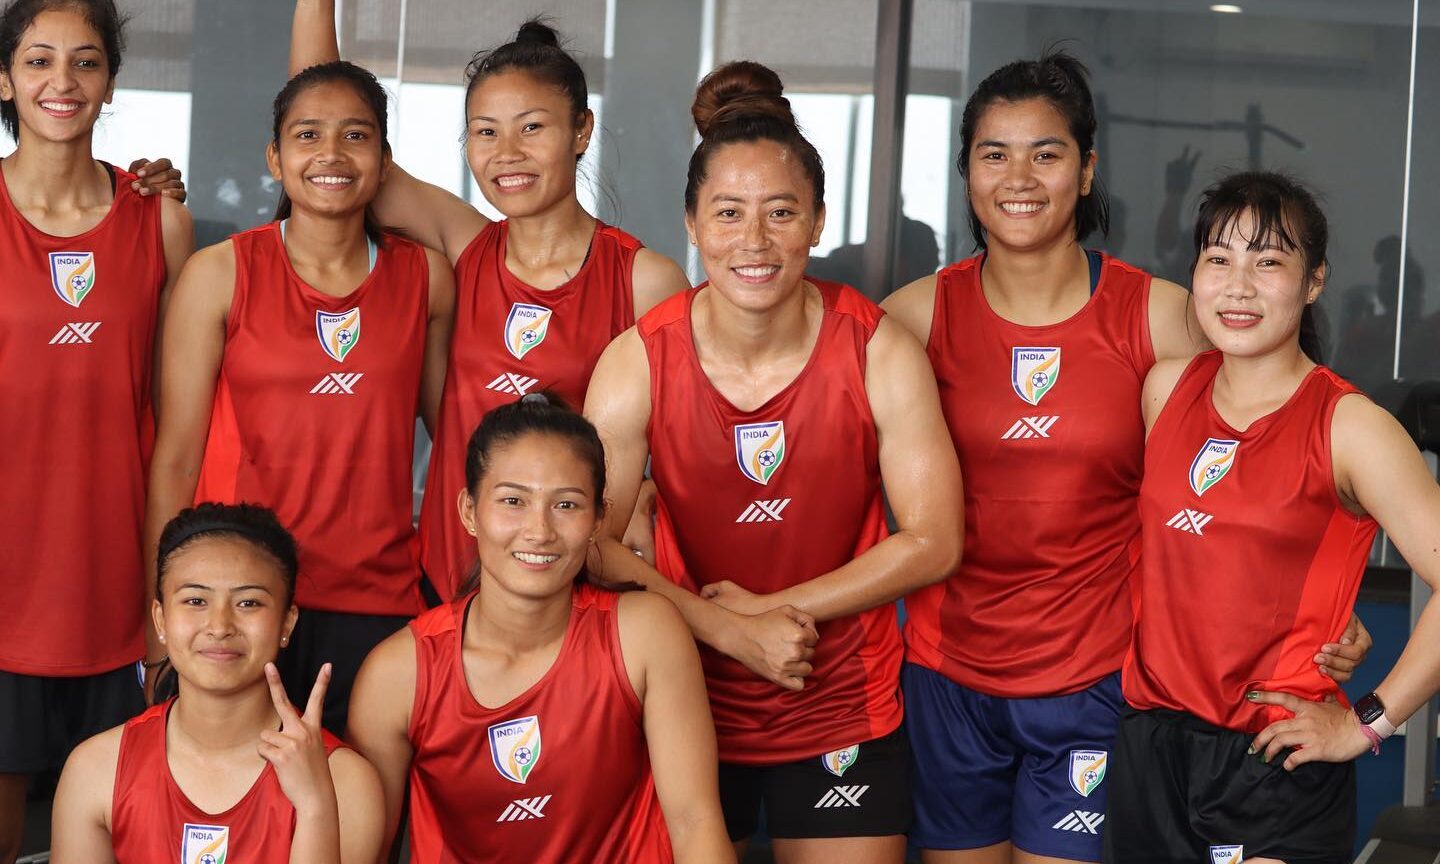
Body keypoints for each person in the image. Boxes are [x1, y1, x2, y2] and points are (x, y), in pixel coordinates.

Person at [880, 52, 1369, 864]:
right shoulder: (913, 318)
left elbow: (1268, 457)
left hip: (1097, 677)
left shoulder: (1162, 317)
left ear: (1086, 169)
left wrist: (1317, 602)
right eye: (994, 154)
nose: (1019, 177)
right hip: (946, 677)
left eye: (1046, 153)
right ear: (966, 170)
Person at [584, 61, 963, 863]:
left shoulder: (877, 350)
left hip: (839, 699)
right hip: (681, 691)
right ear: (692, 224)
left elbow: (935, 540)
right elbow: (590, 544)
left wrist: (769, 613)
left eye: (780, 212)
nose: (753, 241)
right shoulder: (637, 361)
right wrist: (724, 628)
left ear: (818, 222)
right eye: (728, 213)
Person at [290, 2, 691, 598]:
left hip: (569, 592)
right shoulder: (464, 248)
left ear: (581, 130)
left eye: (532, 127)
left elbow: (686, 452)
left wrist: (644, 496)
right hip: (448, 588)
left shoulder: (643, 280)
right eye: (485, 131)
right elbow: (322, 104)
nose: (506, 152)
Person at [1105, 172, 1440, 863]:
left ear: (1314, 281)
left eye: (1268, 261)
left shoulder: (1350, 426)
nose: (1238, 286)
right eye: (1218, 258)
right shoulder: (1164, 389)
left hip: (1273, 761)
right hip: (1151, 748)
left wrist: (1367, 724)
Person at [145, 60, 455, 733]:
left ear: (384, 160)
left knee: (360, 795)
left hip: (377, 599)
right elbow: (175, 460)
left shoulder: (425, 278)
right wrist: (158, 622)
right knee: (241, 794)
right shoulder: (221, 273)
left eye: (355, 135)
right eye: (308, 135)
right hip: (241, 599)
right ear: (275, 158)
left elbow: (458, 446)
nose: (331, 154)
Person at [346, 394, 731, 863]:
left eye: (566, 505)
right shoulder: (397, 673)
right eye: (513, 501)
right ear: (469, 511)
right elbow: (366, 851)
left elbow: (695, 824)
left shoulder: (644, 634)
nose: (539, 530)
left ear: (598, 520)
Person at [0, 0, 192, 859]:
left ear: (111, 81)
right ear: (5, 80)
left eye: (85, 61)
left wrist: (166, 596)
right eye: (38, 60)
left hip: (116, 589)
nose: (63, 81)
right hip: (6, 586)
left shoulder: (160, 218)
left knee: (119, 836)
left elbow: (184, 427)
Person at [50, 503, 385, 864]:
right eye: (195, 600)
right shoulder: (97, 768)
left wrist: (314, 806)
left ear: (287, 623)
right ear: (160, 620)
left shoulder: (344, 781)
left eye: (248, 603)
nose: (220, 625)